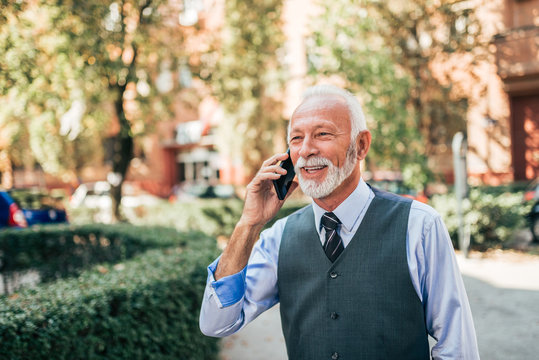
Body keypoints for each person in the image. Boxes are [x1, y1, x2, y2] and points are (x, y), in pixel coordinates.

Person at [199, 84, 479, 359]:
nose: (306, 150)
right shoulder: (280, 237)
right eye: (296, 139)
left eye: (322, 134)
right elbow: (217, 323)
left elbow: (457, 348)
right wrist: (248, 224)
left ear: (361, 145)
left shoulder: (419, 226)